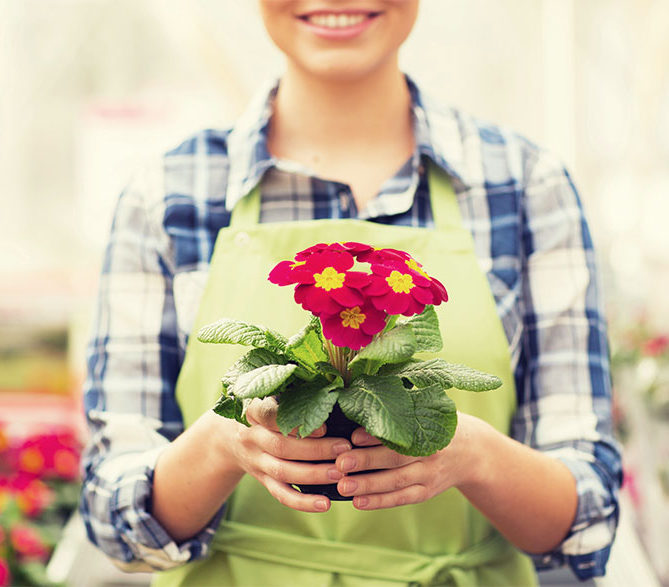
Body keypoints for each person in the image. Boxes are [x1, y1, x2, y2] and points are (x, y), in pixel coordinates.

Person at [80, 1, 622, 585]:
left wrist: (476, 455)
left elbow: (585, 523)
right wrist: (222, 441)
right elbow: (115, 521)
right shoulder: (167, 195)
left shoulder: (525, 186)